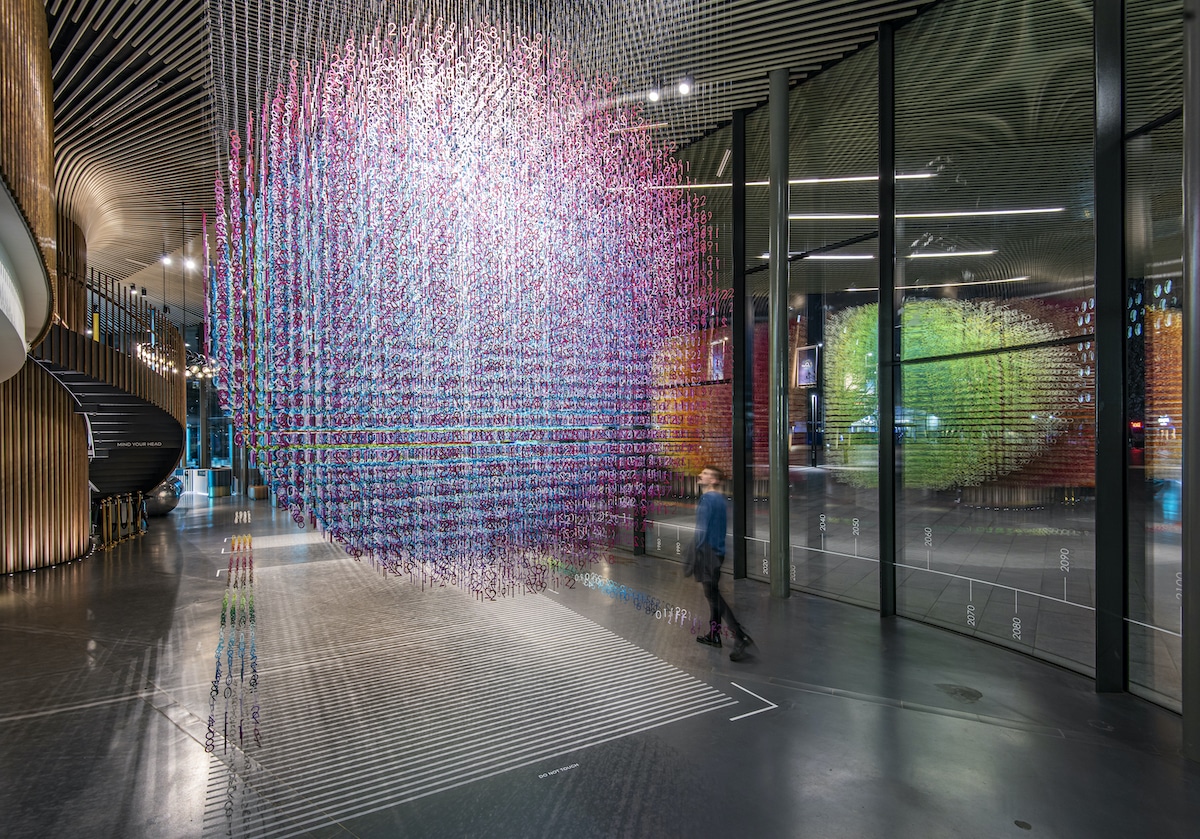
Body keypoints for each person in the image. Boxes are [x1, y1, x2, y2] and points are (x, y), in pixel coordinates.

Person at [688, 465, 753, 661]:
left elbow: (702, 529)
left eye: (706, 474)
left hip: (707, 553)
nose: (701, 475)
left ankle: (740, 636)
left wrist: (696, 553)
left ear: (714, 480)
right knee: (712, 594)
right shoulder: (721, 499)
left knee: (714, 596)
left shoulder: (708, 498)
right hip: (717, 552)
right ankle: (714, 634)